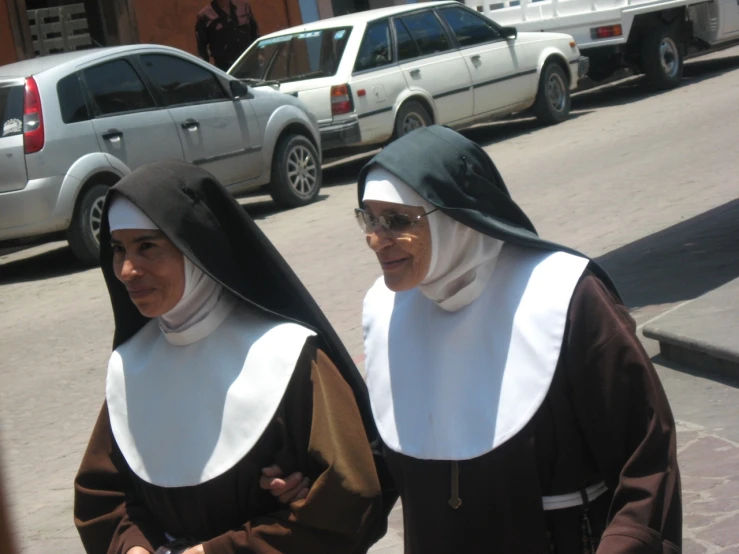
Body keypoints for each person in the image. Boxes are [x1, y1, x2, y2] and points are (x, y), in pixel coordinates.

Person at [264, 126, 682, 553]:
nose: (375, 239)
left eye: (396, 220)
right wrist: (313, 484)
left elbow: (646, 462)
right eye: (368, 219)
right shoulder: (387, 310)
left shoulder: (566, 297)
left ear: (456, 218)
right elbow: (392, 458)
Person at [73, 161, 385, 554]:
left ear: (194, 248)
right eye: (119, 249)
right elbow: (101, 495)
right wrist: (132, 547)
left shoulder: (288, 356)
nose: (127, 270)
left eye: (147, 246)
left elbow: (350, 495)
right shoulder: (132, 364)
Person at [196, 0, 259, 71]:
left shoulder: (244, 6)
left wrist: (260, 53)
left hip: (251, 65)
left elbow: (255, 32)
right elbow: (202, 49)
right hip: (226, 69)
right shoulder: (204, 16)